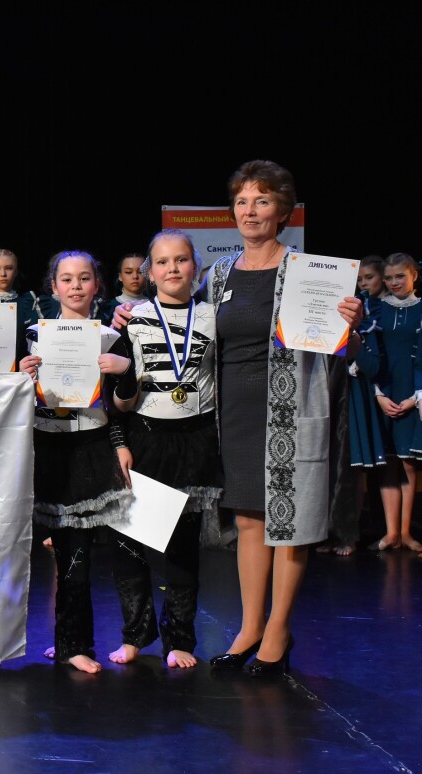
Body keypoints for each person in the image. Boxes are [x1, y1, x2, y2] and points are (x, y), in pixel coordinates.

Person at [198, 160, 362, 676]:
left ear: (283, 211)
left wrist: (352, 328)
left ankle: (277, 631)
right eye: (242, 201)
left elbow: (345, 350)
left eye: (262, 201)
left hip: (291, 412)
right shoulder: (218, 274)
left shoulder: (310, 272)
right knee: (249, 520)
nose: (250, 211)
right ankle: (249, 627)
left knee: (289, 523)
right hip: (235, 416)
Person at [107, 230, 222, 669]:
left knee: (182, 546)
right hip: (145, 439)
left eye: (181, 260)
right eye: (162, 262)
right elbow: (114, 399)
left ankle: (180, 639)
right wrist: (120, 442)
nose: (172, 268)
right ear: (149, 273)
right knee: (130, 543)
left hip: (195, 441)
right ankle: (135, 635)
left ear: (195, 267)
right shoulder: (130, 320)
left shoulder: (214, 316)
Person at [19, 250, 133, 674]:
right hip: (40, 449)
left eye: (84, 278)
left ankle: (74, 644)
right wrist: (22, 375)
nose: (75, 286)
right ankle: (3, 643)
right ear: (53, 287)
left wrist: (123, 372)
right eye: (66, 279)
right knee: (22, 556)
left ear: (96, 285)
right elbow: (9, 395)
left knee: (76, 557)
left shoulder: (110, 337)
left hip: (88, 449)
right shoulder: (31, 335)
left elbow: (120, 408)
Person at [319, 254, 387, 557]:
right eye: (360, 280)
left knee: (353, 463)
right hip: (337, 388)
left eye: (369, 278)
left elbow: (372, 358)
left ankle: (349, 532)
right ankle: (327, 530)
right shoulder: (345, 307)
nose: (364, 284)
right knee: (332, 463)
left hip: (362, 393)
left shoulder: (374, 312)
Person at [361, 252, 422, 553]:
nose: (394, 282)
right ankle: (391, 532)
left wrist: (415, 398)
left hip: (413, 394)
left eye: (400, 276)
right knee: (387, 463)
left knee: (409, 464)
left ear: (414, 276)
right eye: (389, 278)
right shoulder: (376, 309)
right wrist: (379, 394)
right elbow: (372, 354)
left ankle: (406, 532)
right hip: (383, 392)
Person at [99, 252, 150, 325]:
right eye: (128, 272)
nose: (135, 276)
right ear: (120, 276)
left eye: (140, 272)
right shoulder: (107, 309)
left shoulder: (156, 305)